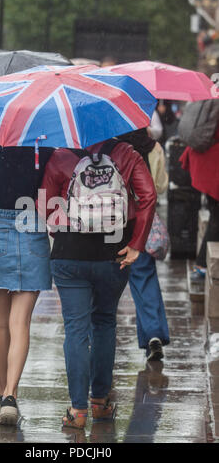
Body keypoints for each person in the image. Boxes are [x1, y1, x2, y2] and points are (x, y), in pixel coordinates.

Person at [39, 137, 157, 429]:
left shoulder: (61, 156)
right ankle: (100, 403)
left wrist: (63, 230)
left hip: (69, 255)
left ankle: (77, 411)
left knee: (76, 330)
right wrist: (137, 244)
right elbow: (148, 195)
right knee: (104, 323)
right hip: (113, 254)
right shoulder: (127, 154)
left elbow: (43, 204)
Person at [0, 142, 54, 425]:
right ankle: (11, 396)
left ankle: (3, 390)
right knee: (21, 323)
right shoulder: (47, 151)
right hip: (33, 232)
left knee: (0, 323)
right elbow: (55, 195)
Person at [117, 129, 170, 360]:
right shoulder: (154, 148)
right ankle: (153, 334)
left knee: (106, 284)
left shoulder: (114, 149)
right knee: (144, 276)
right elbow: (159, 187)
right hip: (143, 221)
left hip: (114, 221)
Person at [179, 125, 219, 280]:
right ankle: (202, 265)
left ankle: (201, 264)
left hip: (205, 163)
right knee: (216, 217)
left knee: (215, 215)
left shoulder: (211, 105)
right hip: (212, 166)